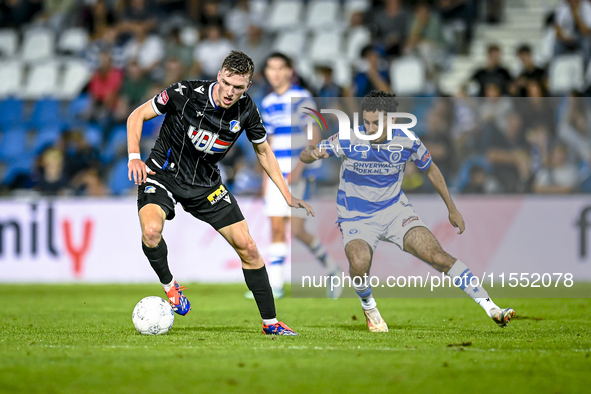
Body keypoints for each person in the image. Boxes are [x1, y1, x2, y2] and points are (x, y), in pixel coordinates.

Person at [127, 50, 312, 335]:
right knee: (151, 231)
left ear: (247, 86)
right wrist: (134, 156)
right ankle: (170, 286)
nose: (230, 92)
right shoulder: (185, 92)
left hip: (206, 185)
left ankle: (271, 324)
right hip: (162, 174)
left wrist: (286, 194)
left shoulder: (247, 109)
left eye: (239, 87)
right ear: (219, 76)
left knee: (249, 248)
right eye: (227, 83)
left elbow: (263, 151)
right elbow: (136, 115)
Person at [300, 90, 515, 332]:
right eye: (367, 122)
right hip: (356, 216)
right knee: (359, 263)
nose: (370, 129)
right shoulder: (349, 137)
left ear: (391, 120)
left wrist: (452, 208)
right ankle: (370, 308)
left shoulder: (407, 140)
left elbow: (431, 169)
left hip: (395, 212)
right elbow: (306, 154)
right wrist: (313, 153)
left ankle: (492, 308)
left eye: (376, 123)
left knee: (438, 257)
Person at [256, 52, 341, 299]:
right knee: (276, 227)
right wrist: (265, 177)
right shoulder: (269, 101)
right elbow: (266, 143)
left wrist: (298, 169)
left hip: (297, 172)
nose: (275, 73)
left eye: (280, 68)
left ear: (289, 70)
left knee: (297, 229)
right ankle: (276, 286)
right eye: (271, 68)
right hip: (275, 173)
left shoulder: (303, 98)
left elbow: (314, 136)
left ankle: (333, 270)